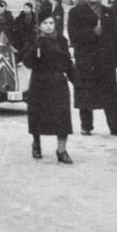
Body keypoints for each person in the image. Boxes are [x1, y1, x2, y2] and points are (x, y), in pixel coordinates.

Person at [67, 0, 117, 136]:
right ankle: (86, 126)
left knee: (110, 94)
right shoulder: (75, 12)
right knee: (85, 93)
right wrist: (93, 33)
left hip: (106, 60)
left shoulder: (108, 11)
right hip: (86, 59)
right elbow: (74, 35)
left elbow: (116, 36)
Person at [21, 11, 75, 163]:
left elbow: (67, 62)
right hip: (40, 83)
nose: (48, 26)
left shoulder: (62, 41)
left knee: (62, 117)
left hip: (58, 82)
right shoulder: (34, 41)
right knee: (38, 116)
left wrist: (76, 81)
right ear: (39, 26)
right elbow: (27, 62)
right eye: (45, 23)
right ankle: (36, 144)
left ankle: (62, 150)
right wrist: (34, 49)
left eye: (51, 23)